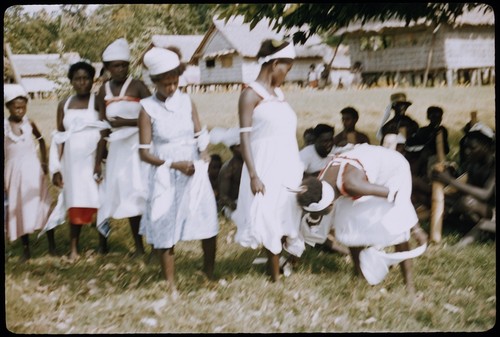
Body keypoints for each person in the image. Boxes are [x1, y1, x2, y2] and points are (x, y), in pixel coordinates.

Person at [138, 46, 218, 293]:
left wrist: (203, 153)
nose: (172, 89)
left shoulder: (185, 100)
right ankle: (170, 282)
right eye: (166, 85)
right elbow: (144, 152)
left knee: (207, 219)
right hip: (166, 171)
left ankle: (208, 272)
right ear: (155, 82)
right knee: (165, 225)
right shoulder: (147, 108)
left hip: (192, 167)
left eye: (175, 83)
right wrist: (173, 165)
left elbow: (198, 132)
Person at [296, 143, 427, 293]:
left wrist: (416, 229)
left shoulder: (353, 185)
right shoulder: (320, 184)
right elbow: (316, 212)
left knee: (396, 228)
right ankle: (360, 274)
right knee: (347, 223)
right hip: (361, 165)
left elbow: (398, 198)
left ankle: (409, 288)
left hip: (393, 170)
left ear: (330, 204)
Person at [231, 39, 305, 282]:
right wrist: (253, 174)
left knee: (286, 213)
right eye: (287, 67)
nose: (288, 73)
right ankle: (274, 277)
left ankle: (283, 262)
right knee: (269, 216)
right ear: (274, 64)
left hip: (286, 163)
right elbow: (245, 139)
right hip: (264, 165)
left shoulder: (279, 94)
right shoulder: (250, 95)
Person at [95, 38, 152, 257]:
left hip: (140, 146)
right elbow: (103, 127)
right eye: (116, 66)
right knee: (125, 195)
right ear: (107, 68)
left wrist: (127, 123)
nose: (121, 69)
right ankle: (122, 245)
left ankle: (151, 244)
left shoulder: (137, 86)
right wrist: (99, 160)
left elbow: (154, 116)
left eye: (124, 65)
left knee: (142, 191)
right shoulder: (103, 91)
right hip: (118, 151)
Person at [50, 61, 109, 260]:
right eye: (77, 79)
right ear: (71, 81)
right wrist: (56, 167)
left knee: (99, 199)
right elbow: (59, 136)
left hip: (92, 158)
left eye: (86, 78)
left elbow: (103, 134)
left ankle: (103, 245)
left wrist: (97, 163)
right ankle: (74, 248)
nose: (82, 82)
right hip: (72, 162)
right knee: (75, 200)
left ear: (93, 81)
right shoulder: (64, 104)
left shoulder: (98, 103)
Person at [4, 84, 55, 260]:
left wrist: (44, 162)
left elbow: (41, 140)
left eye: (23, 107)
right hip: (14, 173)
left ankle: (52, 245)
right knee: (19, 207)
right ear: (8, 107)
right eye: (16, 107)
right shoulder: (5, 127)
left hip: (33, 170)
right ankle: (26, 248)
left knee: (42, 203)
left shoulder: (29, 122)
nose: (20, 110)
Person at [432, 124, 495, 246]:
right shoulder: (473, 164)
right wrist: (450, 176)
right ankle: (462, 220)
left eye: (473, 148)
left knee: (467, 202)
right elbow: (467, 189)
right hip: (479, 208)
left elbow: (485, 194)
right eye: (466, 147)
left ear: (488, 147)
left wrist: (450, 181)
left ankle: (455, 217)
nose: (467, 151)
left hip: (491, 210)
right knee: (451, 200)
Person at [405, 106, 450, 209]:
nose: (437, 119)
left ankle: (437, 191)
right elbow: (414, 145)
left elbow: (446, 149)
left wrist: (439, 138)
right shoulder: (423, 131)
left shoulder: (442, 130)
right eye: (433, 116)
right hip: (424, 158)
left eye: (439, 116)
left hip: (438, 157)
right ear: (428, 117)